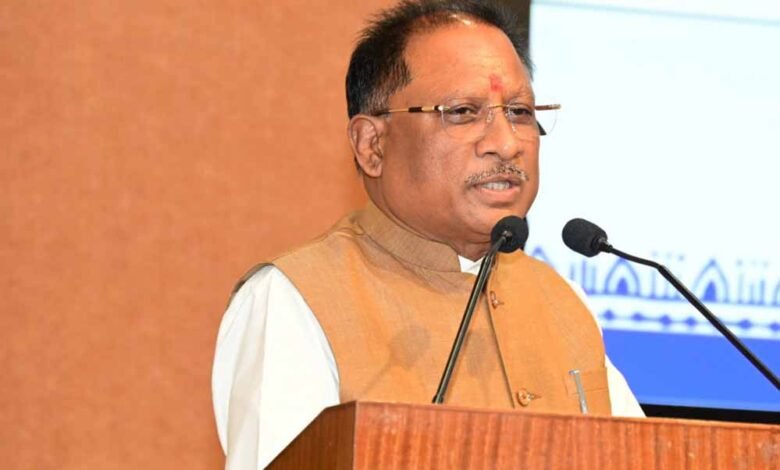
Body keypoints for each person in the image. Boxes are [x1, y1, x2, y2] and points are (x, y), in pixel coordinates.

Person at [212, 1, 644, 468]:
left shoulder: (563, 303)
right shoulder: (294, 299)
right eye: (462, 112)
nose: (506, 143)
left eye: (519, 111)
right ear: (373, 145)